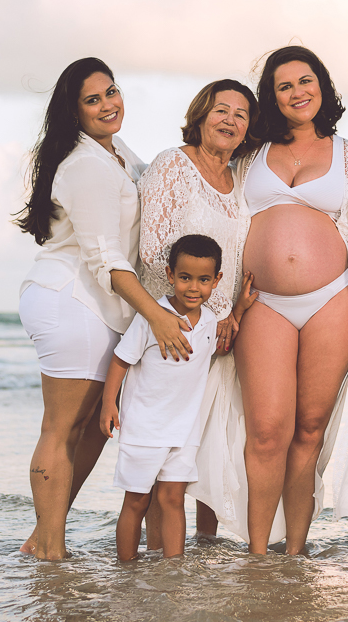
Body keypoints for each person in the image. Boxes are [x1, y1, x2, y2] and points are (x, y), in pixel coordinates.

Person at [14, 57, 193, 561]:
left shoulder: (114, 152)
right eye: (93, 100)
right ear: (75, 112)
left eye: (111, 92)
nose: (108, 104)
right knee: (61, 427)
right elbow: (104, 259)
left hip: (98, 305)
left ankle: (42, 537)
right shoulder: (87, 165)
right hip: (72, 301)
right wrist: (157, 316)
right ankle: (50, 550)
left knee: (92, 426)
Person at [230, 45, 348, 554]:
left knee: (310, 428)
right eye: (284, 85)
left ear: (322, 85)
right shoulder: (248, 156)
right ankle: (258, 552)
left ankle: (295, 551)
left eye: (305, 80)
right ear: (272, 96)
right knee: (267, 430)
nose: (297, 92)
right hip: (262, 301)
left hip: (334, 299)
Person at [136, 78, 259, 545]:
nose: (230, 119)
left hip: (222, 334)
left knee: (210, 440)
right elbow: (153, 249)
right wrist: (216, 309)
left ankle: (204, 547)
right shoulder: (173, 164)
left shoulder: (240, 180)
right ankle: (150, 557)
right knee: (162, 444)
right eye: (221, 109)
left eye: (241, 114)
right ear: (200, 115)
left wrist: (234, 313)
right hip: (176, 331)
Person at [100, 234, 254, 560]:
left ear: (217, 281)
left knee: (173, 499)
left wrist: (238, 309)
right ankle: (125, 570)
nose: (193, 287)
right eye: (185, 278)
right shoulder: (151, 318)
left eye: (203, 280)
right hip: (144, 428)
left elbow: (217, 349)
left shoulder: (211, 320)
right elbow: (120, 359)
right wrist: (108, 403)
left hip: (185, 432)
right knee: (137, 501)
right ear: (170, 275)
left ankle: (174, 569)